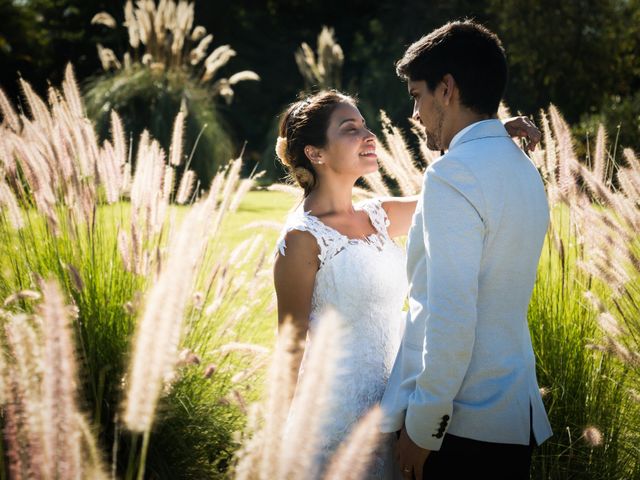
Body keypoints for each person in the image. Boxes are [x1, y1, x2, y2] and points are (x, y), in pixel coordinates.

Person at [273, 89, 541, 478]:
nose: (369, 136)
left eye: (366, 126)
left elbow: (453, 188)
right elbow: (289, 350)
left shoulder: (377, 215)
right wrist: (279, 441)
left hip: (393, 409)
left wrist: (492, 135)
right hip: (332, 421)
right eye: (351, 129)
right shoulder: (301, 239)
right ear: (316, 153)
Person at [379, 20, 553, 480]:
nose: (414, 112)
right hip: (513, 417)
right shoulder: (523, 166)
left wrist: (422, 427)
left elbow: (451, 315)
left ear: (447, 88)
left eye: (417, 95)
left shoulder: (452, 175)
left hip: (462, 425)